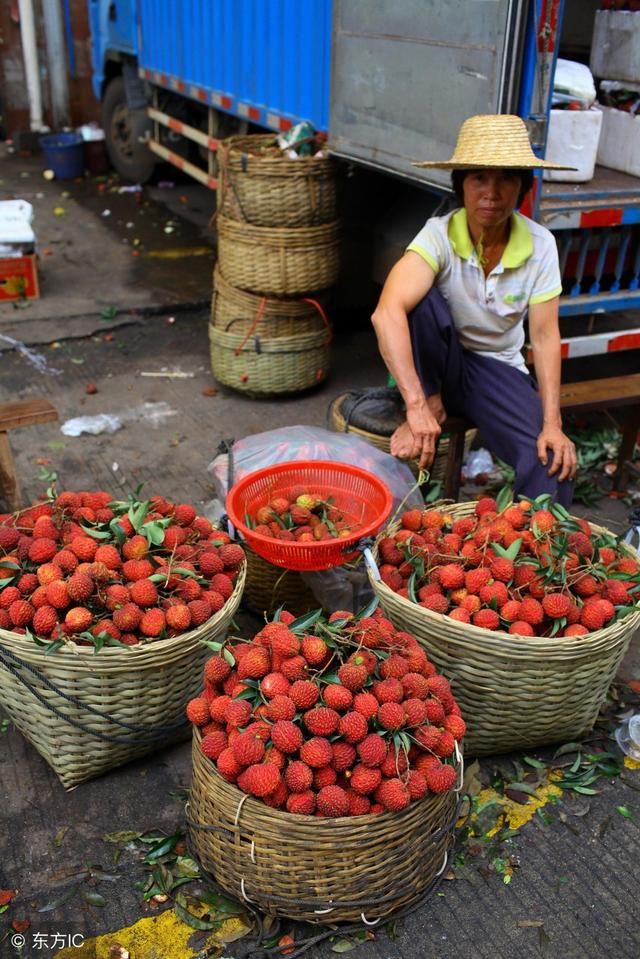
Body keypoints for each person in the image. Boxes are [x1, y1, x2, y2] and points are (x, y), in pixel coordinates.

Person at [371, 114, 578, 506]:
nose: (492, 193)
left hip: (495, 367)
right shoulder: (439, 235)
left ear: (522, 188)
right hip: (435, 362)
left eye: (506, 179)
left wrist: (553, 424)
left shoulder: (541, 245)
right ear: (461, 185)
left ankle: (534, 556)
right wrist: (416, 405)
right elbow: (387, 313)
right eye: (479, 178)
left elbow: (546, 335)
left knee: (551, 461)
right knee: (420, 300)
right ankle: (431, 401)